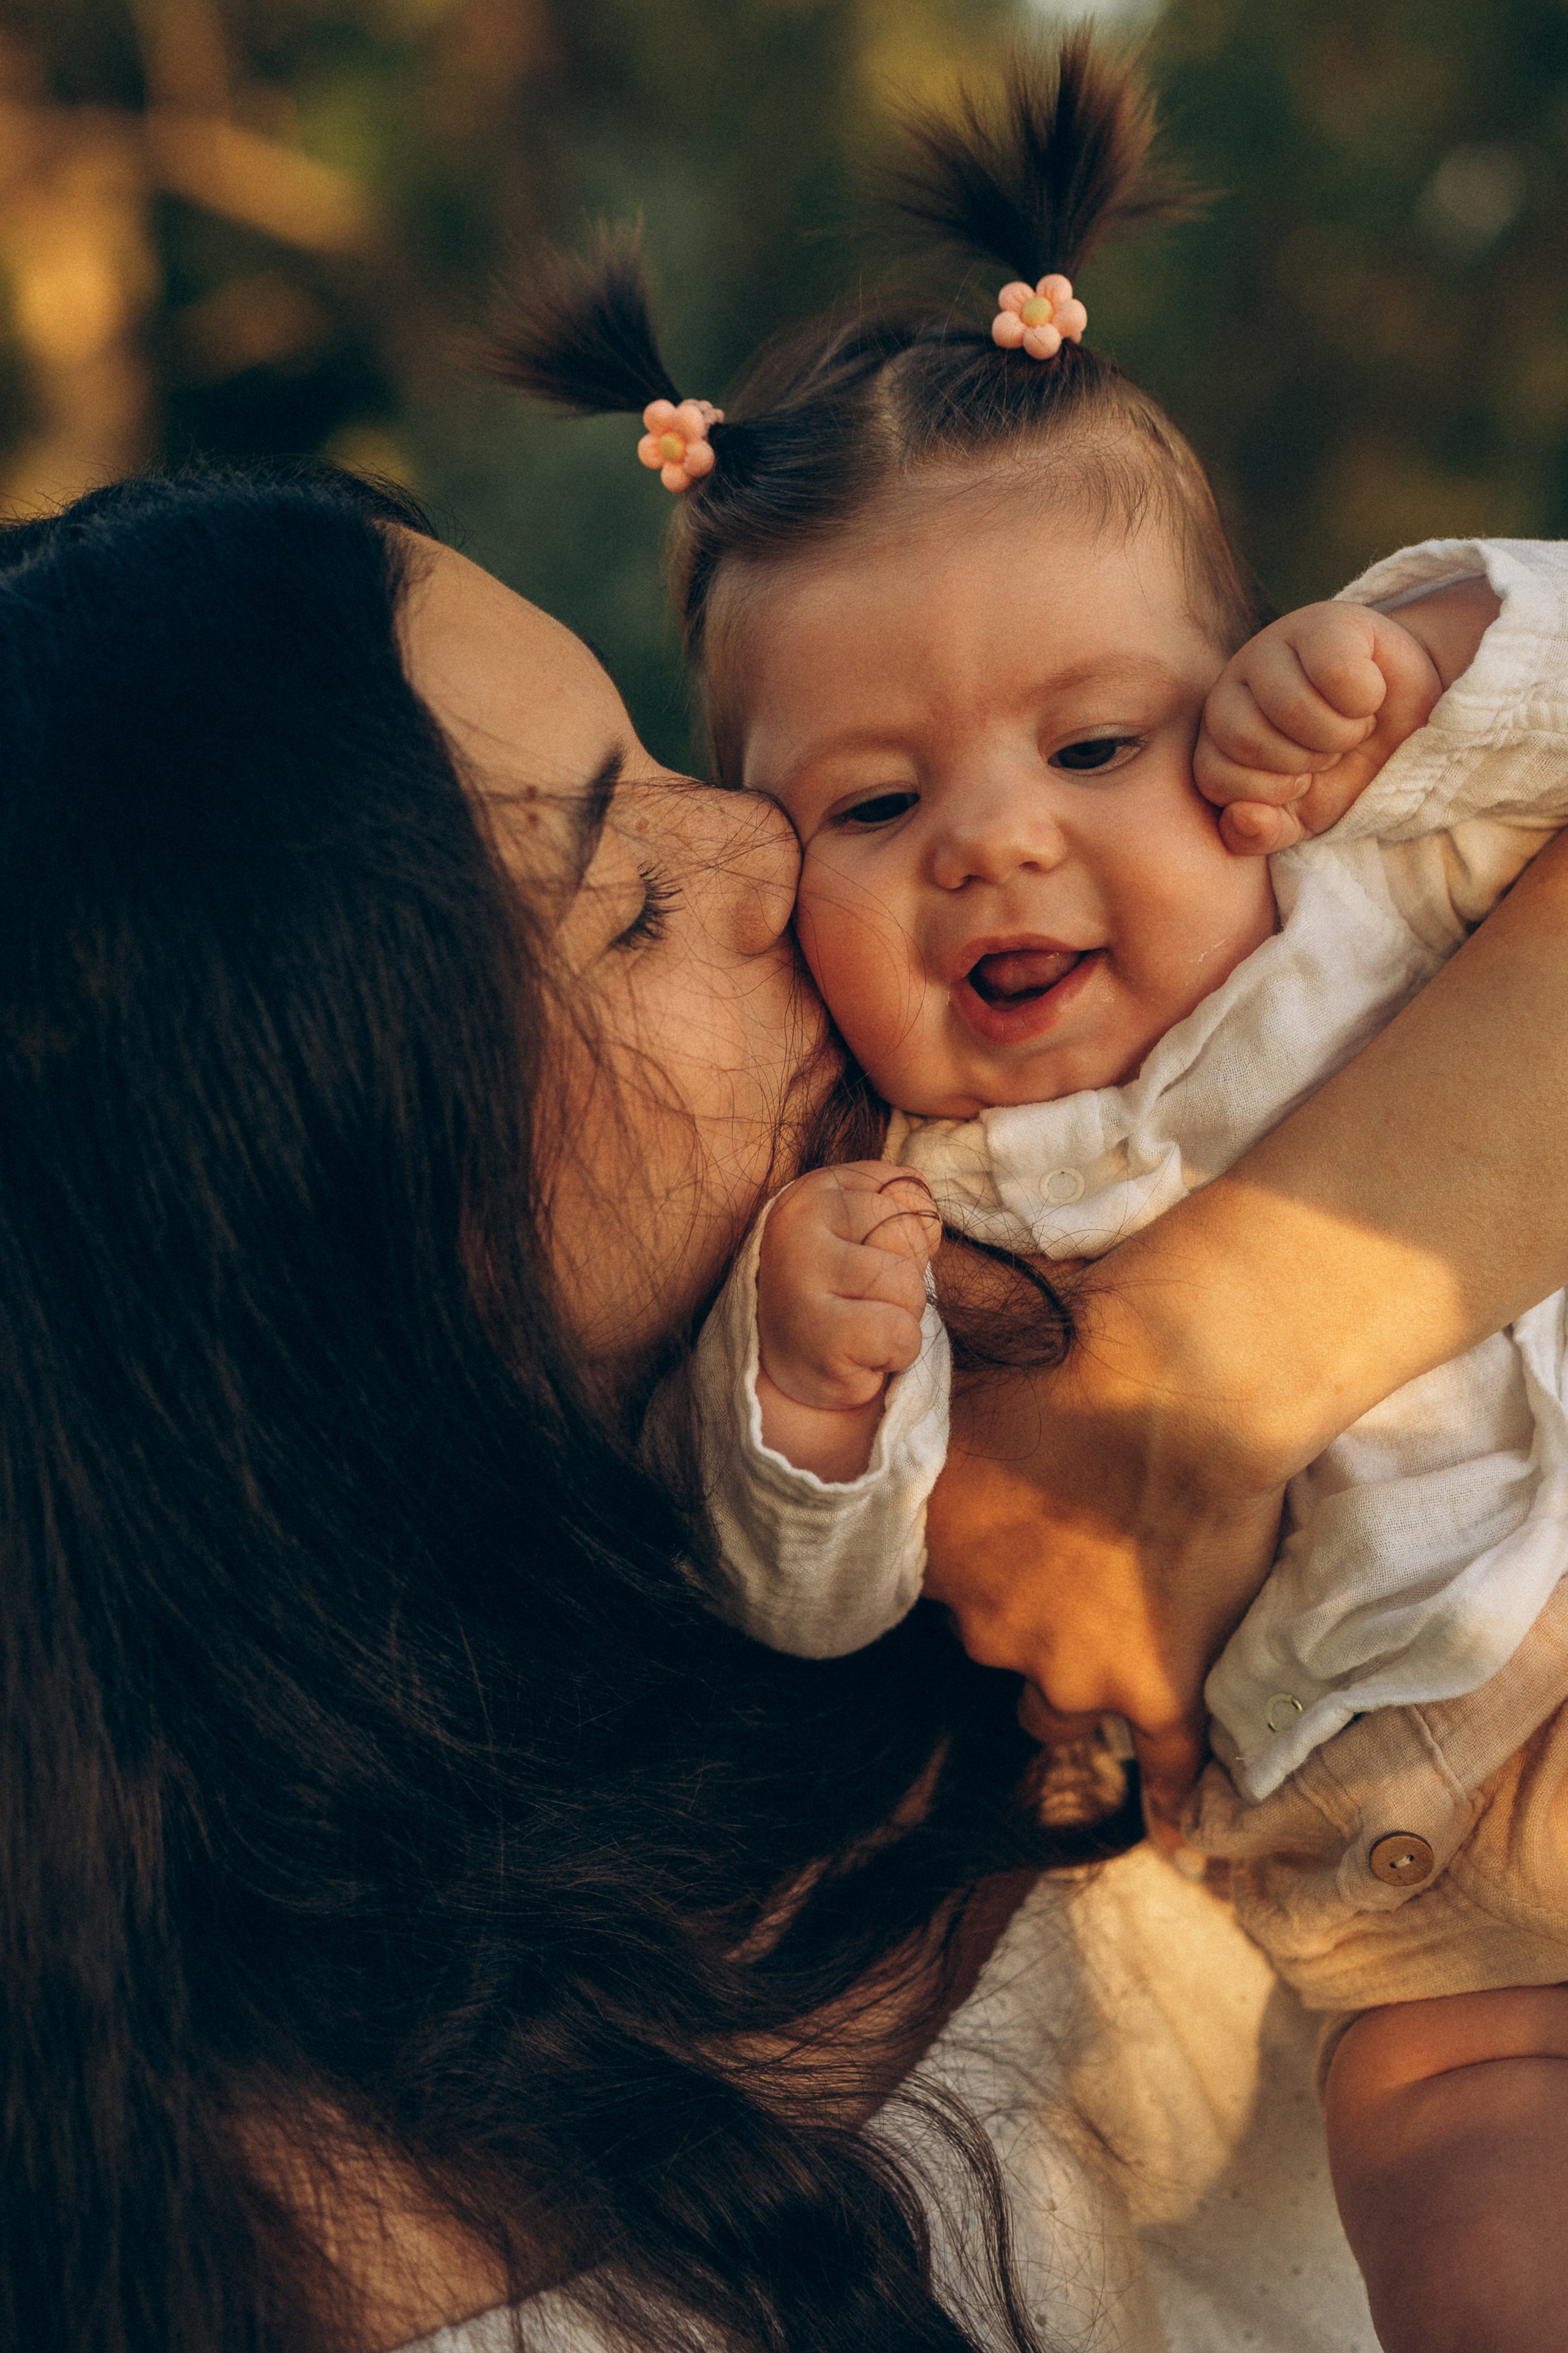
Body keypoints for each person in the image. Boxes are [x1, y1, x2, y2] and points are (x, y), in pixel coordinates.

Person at [9, 467, 1568, 2353]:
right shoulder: (290, 2250)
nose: (762, 843)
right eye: (634, 897)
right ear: (340, 1248)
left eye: (659, 752)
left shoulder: (1111, 1117)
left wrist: (1199, 1364)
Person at [489, 38, 1568, 2352]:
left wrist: (1436, 661)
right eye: (873, 807)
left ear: (1233, 696)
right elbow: (831, 1573)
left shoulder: (1365, 855)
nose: (994, 834)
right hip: (1395, 1877)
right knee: (1470, 2183)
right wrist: (803, 1390)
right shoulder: (876, 1185)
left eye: (1094, 744)